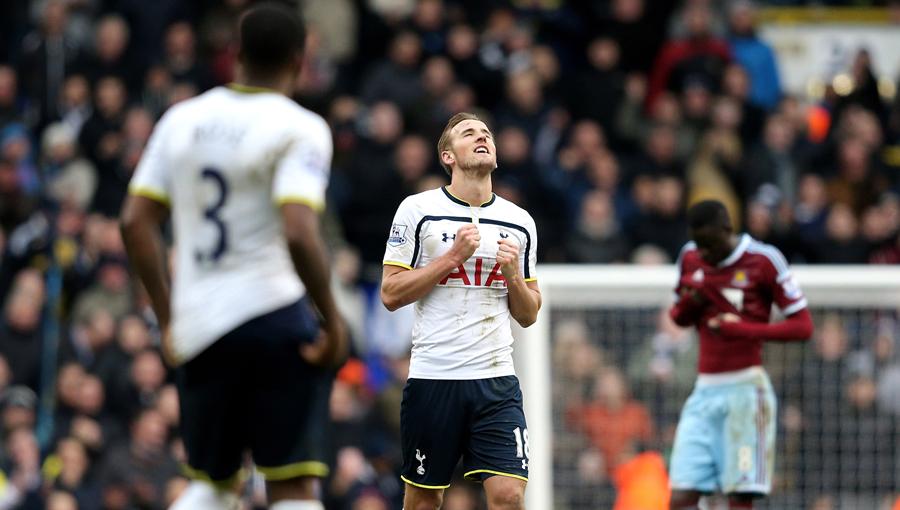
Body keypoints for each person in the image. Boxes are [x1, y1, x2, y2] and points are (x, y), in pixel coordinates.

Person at [119, 4, 347, 509]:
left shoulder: (182, 119)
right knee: (291, 486)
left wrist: (169, 319)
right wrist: (332, 320)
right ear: (299, 60)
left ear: (235, 53)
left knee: (214, 484)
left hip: (202, 325)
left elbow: (134, 222)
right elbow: (299, 231)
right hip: (274, 316)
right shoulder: (300, 126)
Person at [381, 112, 542, 510]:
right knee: (424, 500)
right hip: (434, 377)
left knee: (509, 496)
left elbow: (528, 314)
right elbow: (391, 292)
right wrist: (451, 258)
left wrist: (513, 276)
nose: (482, 137)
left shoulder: (519, 222)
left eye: (487, 133)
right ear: (448, 156)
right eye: (469, 133)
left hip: (496, 379)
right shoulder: (418, 210)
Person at [667, 200, 814, 509]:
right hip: (704, 390)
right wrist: (692, 301)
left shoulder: (764, 260)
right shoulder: (690, 257)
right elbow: (679, 318)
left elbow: (803, 326)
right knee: (680, 496)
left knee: (740, 496)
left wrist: (743, 330)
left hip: (746, 392)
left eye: (710, 244)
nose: (705, 253)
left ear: (727, 228)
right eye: (699, 245)